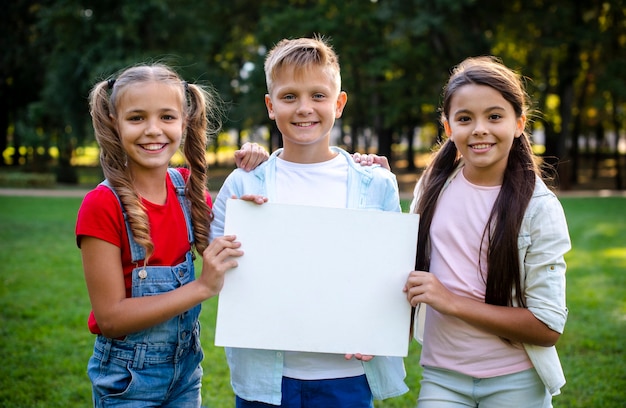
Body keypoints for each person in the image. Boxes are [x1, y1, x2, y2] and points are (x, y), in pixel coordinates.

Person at [209, 36, 409, 407]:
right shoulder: (245, 182)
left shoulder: (374, 183)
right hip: (266, 379)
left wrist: (377, 331)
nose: (304, 108)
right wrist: (244, 228)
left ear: (339, 103)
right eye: (289, 97)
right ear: (271, 106)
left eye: (318, 95)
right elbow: (213, 265)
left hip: (346, 376)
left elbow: (390, 273)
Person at [76, 63, 269, 407]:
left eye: (167, 117)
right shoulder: (102, 205)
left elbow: (244, 246)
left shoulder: (190, 193)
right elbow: (110, 318)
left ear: (184, 122)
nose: (153, 130)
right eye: (136, 118)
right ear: (114, 124)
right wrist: (201, 288)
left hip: (186, 373)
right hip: (128, 382)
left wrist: (256, 180)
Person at [404, 56, 571, 407]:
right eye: (465, 118)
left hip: (516, 380)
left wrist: (451, 302)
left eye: (494, 116)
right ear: (448, 127)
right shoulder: (431, 189)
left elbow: (547, 327)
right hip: (441, 377)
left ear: (519, 123)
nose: (479, 129)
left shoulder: (539, 208)